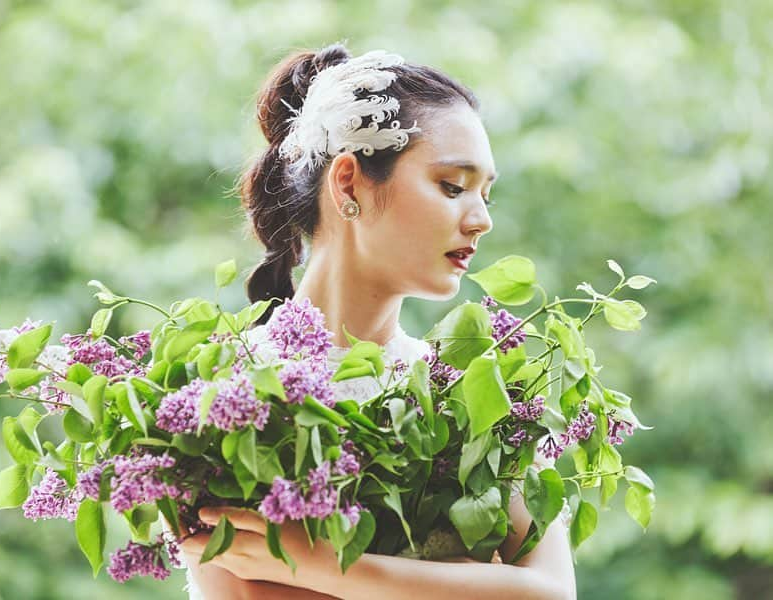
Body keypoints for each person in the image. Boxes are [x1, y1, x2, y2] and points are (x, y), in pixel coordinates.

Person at [174, 41, 577, 600]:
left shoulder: (469, 393)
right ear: (348, 183)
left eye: (486, 194)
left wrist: (316, 565)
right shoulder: (221, 392)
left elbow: (552, 592)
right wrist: (465, 574)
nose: (481, 220)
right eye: (452, 186)